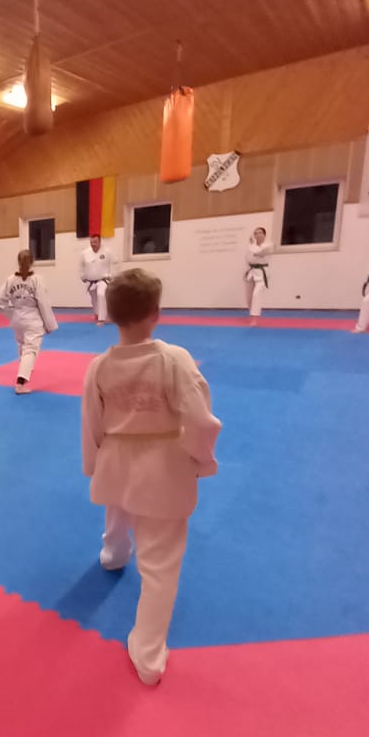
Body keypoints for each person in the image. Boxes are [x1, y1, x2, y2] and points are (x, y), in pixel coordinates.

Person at [81, 269, 221, 687]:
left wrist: (93, 465)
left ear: (110, 314)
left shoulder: (99, 367)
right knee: (160, 564)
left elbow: (91, 425)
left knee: (119, 502)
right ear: (156, 313)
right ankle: (148, 656)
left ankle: (114, 552)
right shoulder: (174, 360)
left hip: (116, 458)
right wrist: (201, 459)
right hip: (162, 466)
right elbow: (202, 422)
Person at [0, 249, 58, 394]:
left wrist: (11, 314)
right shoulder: (37, 279)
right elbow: (43, 303)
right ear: (32, 262)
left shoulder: (11, 279)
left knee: (22, 345)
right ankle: (20, 383)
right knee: (30, 349)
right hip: (32, 318)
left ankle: (26, 366)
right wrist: (50, 325)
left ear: (18, 262)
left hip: (17, 318)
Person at [79, 234, 112, 323]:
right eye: (91, 242)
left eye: (95, 242)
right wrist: (82, 276)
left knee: (101, 295)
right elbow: (81, 266)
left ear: (100, 242)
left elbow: (113, 264)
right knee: (94, 299)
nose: (93, 244)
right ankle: (97, 314)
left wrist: (111, 275)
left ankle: (102, 319)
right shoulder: (85, 253)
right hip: (90, 280)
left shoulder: (107, 252)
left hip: (103, 279)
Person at [244, 226, 271, 324]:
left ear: (264, 235)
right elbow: (248, 259)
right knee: (249, 297)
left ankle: (254, 318)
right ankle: (251, 314)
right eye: (255, 233)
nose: (257, 235)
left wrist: (252, 248)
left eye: (260, 233)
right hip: (252, 272)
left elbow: (260, 254)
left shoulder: (269, 245)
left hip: (262, 273)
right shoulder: (251, 246)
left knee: (256, 295)